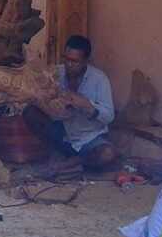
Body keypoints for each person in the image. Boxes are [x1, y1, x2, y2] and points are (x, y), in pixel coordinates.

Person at [48, 34, 118, 169]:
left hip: (88, 138)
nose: (69, 65)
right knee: (31, 112)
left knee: (108, 154)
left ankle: (78, 161)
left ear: (86, 61)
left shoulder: (99, 79)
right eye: (66, 59)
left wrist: (87, 106)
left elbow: (109, 116)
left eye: (75, 61)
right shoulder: (55, 72)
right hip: (62, 133)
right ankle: (54, 152)